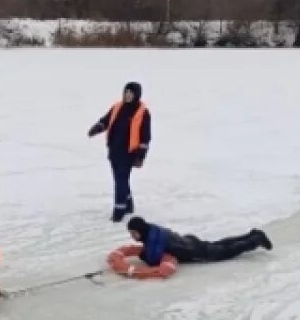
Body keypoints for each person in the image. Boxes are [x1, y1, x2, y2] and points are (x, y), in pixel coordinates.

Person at [88, 82, 151, 222]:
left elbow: (145, 137)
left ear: (136, 95)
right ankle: (128, 204)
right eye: (126, 92)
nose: (127, 95)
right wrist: (97, 128)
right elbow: (106, 121)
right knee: (120, 179)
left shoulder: (143, 112)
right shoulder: (117, 107)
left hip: (129, 153)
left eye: (130, 93)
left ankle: (119, 211)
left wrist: (141, 156)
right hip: (114, 150)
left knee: (120, 181)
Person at [126, 216, 273, 266]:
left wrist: (142, 255)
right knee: (220, 244)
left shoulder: (153, 238)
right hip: (189, 241)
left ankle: (255, 240)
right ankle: (251, 235)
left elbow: (153, 260)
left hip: (193, 251)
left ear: (139, 231)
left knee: (227, 251)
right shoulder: (152, 229)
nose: (132, 236)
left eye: (132, 233)